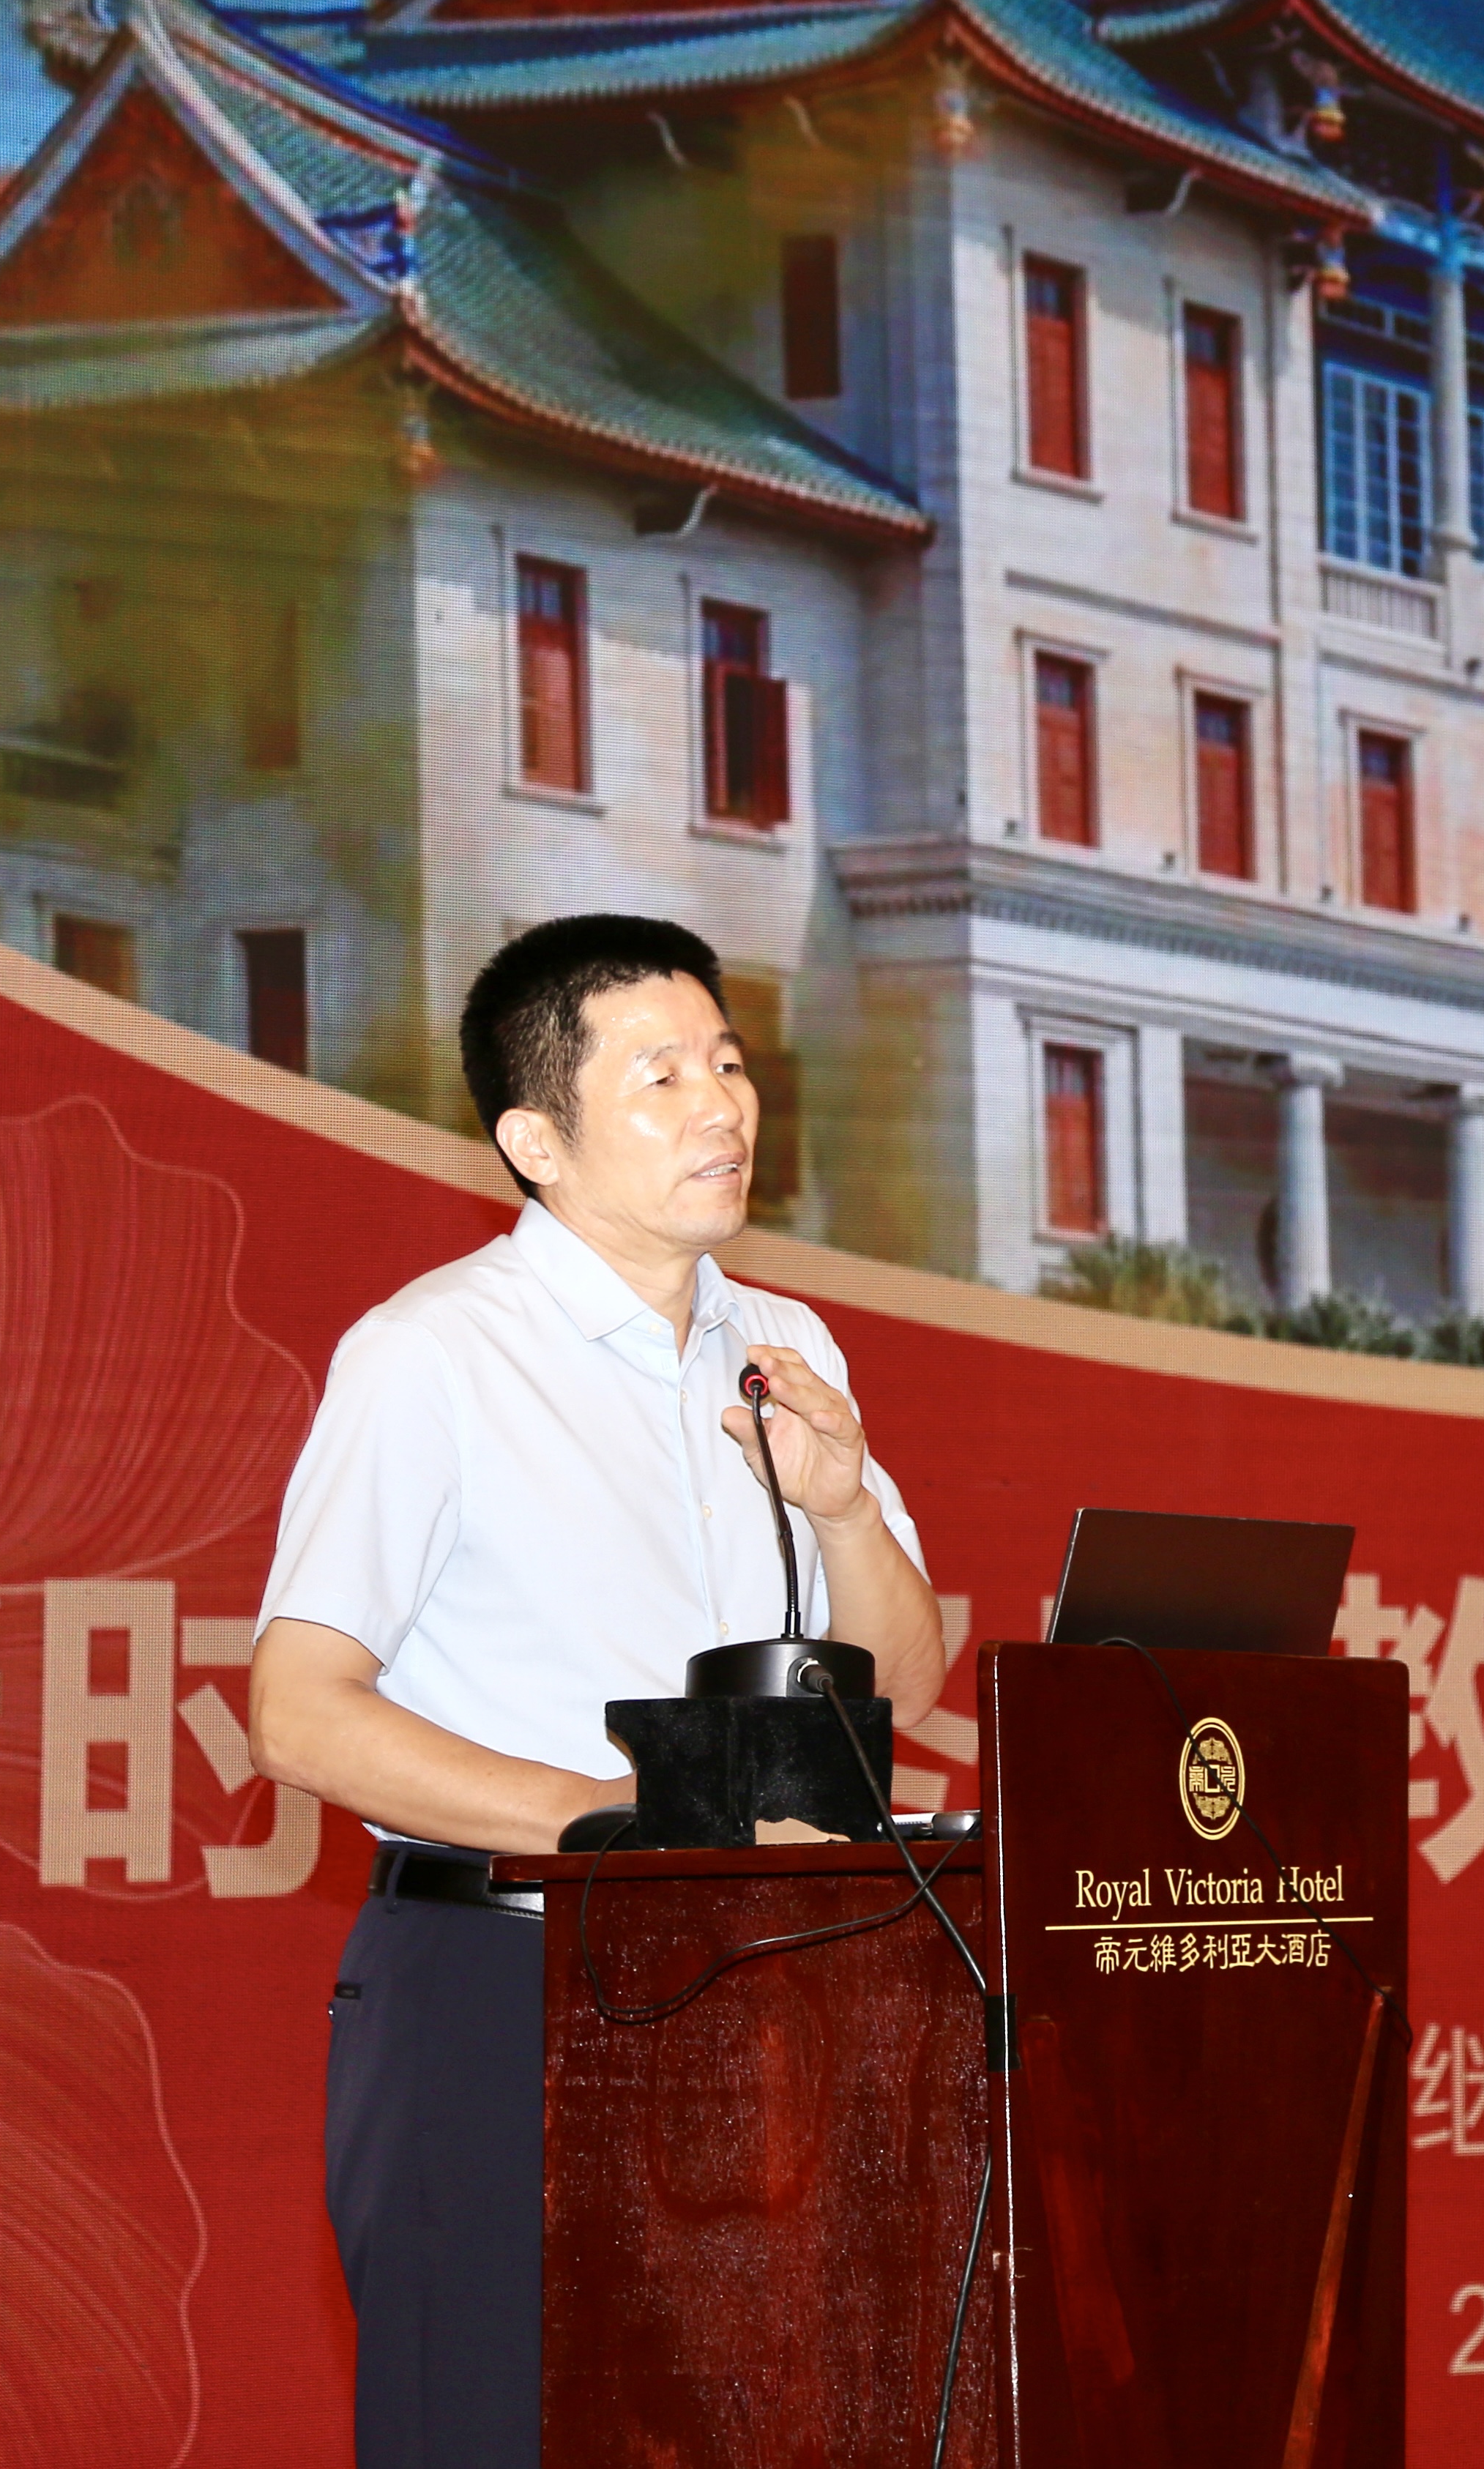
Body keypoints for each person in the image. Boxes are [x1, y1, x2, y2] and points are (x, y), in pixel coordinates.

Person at [247, 913, 946, 2469]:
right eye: (661, 1076)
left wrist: (842, 1508)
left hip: (771, 1991)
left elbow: (903, 1679)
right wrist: (626, 1825)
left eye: (729, 1064)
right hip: (504, 1988)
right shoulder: (434, 1354)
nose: (722, 1107)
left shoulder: (785, 1342)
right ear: (537, 1141)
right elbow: (296, 1708)